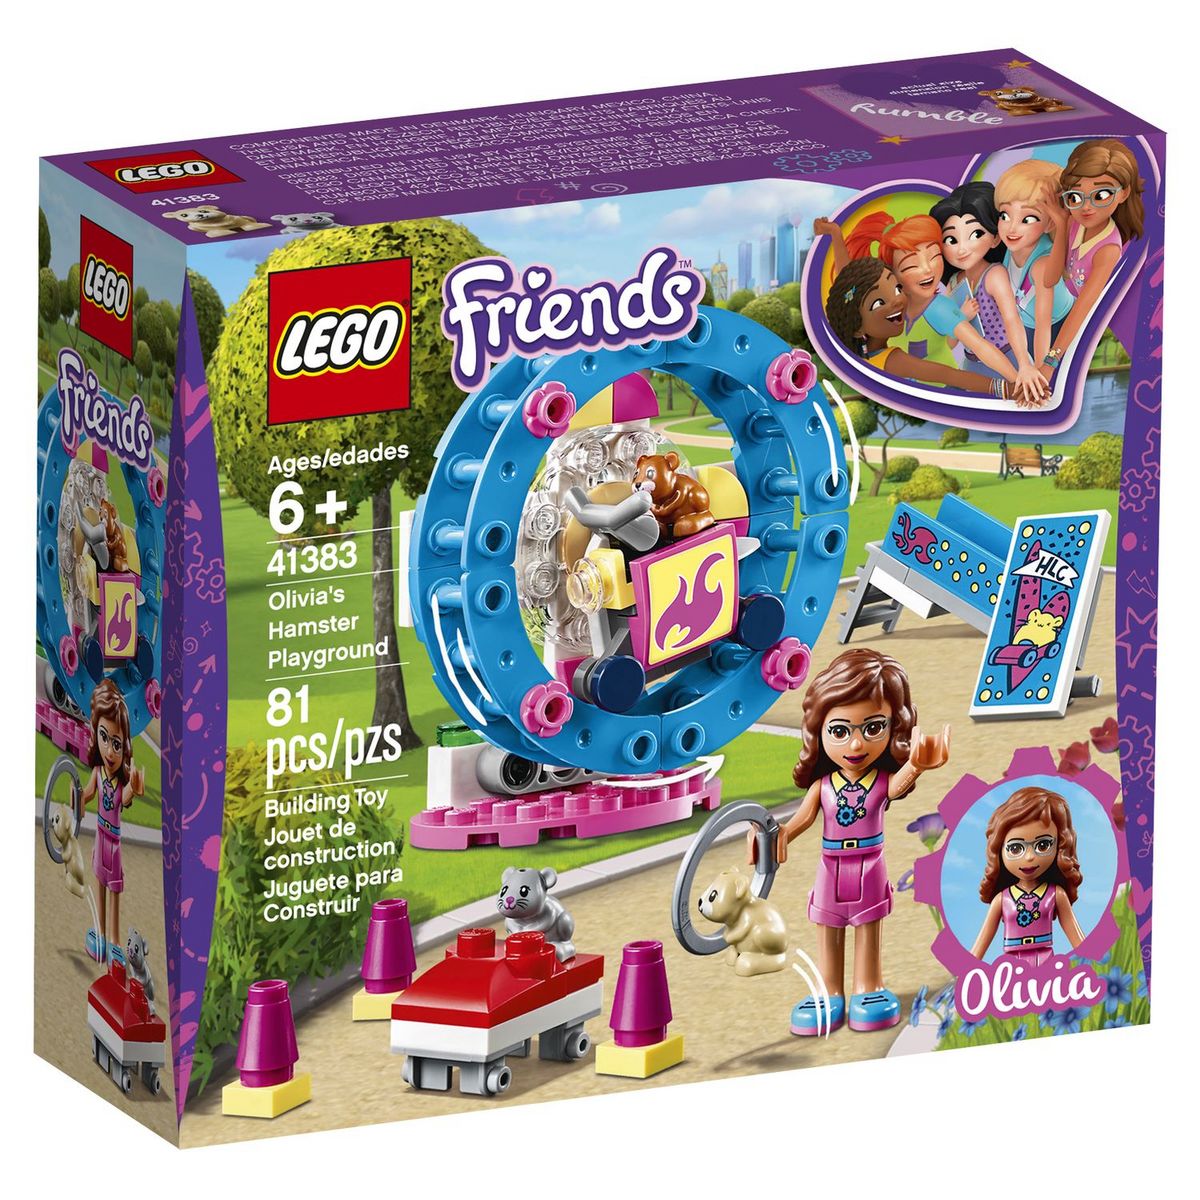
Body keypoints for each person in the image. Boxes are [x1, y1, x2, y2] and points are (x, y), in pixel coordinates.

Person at [760, 648, 951, 1035]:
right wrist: (777, 836)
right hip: (830, 865)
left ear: (894, 727)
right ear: (819, 731)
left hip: (870, 862)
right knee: (827, 924)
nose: (855, 745)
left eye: (873, 728)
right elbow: (801, 819)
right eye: (840, 731)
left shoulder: (880, 782)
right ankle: (828, 990)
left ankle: (868, 987)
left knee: (868, 926)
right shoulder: (823, 785)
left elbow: (897, 787)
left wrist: (916, 765)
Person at [970, 785, 1085, 965]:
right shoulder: (1002, 899)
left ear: (1060, 846)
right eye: (1016, 848)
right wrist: (964, 970)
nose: (1030, 857)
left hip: (1046, 959)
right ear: (999, 849)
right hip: (1012, 963)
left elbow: (1079, 941)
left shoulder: (1056, 894)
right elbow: (980, 946)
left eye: (1043, 845)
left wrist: (1095, 963)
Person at [80, 679, 145, 964]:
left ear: (124, 747)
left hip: (114, 843)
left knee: (114, 889)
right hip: (100, 836)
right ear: (95, 733)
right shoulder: (97, 772)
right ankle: (101, 933)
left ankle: (115, 941)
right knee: (100, 883)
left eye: (116, 744)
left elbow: (125, 797)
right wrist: (78, 798)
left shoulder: (119, 782)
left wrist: (135, 788)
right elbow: (88, 793)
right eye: (104, 738)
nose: (109, 751)